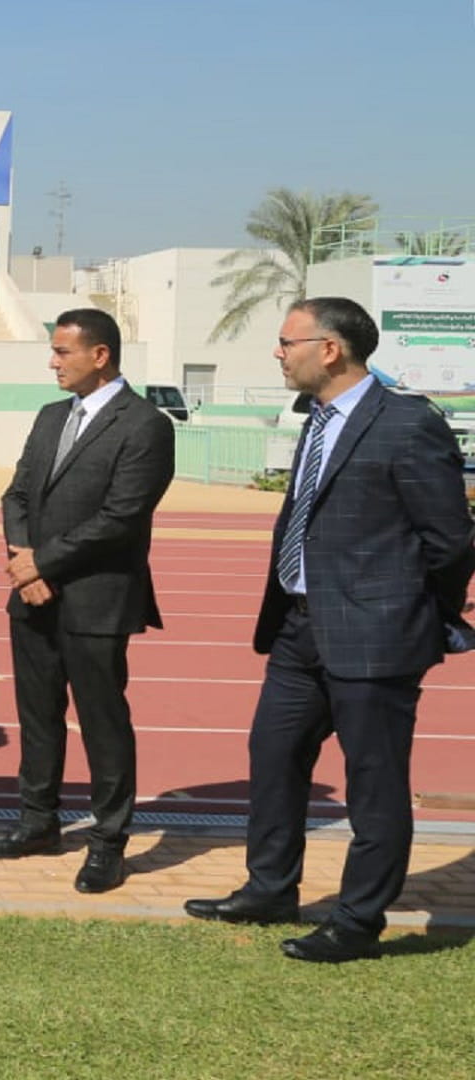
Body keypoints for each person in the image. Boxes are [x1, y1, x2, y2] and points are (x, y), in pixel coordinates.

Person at [186, 297, 475, 963]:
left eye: (288, 341)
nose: (278, 353)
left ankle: (357, 920)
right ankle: (270, 887)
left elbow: (451, 541)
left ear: (331, 349)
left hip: (377, 636)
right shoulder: (316, 420)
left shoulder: (406, 423)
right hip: (299, 628)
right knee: (274, 754)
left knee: (373, 781)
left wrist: (419, 615)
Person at [0, 308, 174, 896]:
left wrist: (44, 562)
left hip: (97, 600)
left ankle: (108, 843)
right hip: (33, 597)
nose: (52, 362)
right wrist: (25, 565)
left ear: (100, 355)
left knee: (102, 723)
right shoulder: (48, 418)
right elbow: (16, 493)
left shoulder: (145, 424)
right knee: (38, 717)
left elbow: (122, 516)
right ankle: (37, 822)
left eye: (63, 352)